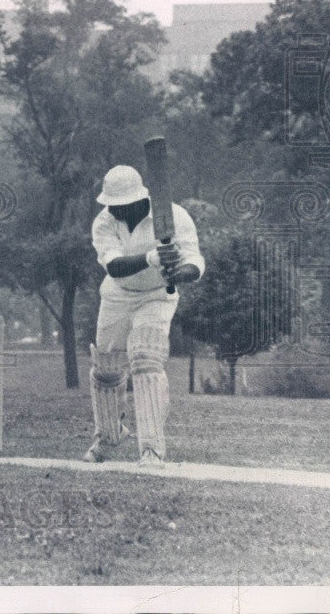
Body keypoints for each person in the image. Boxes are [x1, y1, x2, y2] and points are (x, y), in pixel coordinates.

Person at [85, 165, 204, 467]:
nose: (116, 211)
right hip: (117, 294)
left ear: (140, 200)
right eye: (111, 205)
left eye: (121, 205)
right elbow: (114, 267)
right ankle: (110, 434)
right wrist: (153, 257)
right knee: (106, 368)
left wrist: (178, 271)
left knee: (146, 359)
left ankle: (151, 449)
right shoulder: (104, 222)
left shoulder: (175, 217)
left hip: (156, 296)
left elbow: (195, 263)